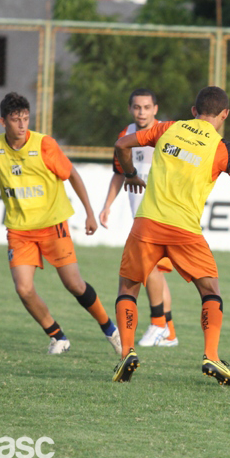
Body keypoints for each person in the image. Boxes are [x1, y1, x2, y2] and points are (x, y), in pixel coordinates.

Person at [111, 86, 230, 384]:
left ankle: (126, 354)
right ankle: (211, 355)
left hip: (147, 224)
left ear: (193, 111)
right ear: (225, 114)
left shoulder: (167, 128)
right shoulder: (222, 148)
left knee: (128, 287)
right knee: (210, 290)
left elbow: (122, 144)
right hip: (185, 230)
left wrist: (131, 173)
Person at [0, 92, 121, 356]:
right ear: (3, 122)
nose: (22, 125)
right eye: (15, 119)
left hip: (53, 226)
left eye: (25, 118)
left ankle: (110, 330)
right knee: (23, 289)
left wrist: (89, 213)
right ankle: (58, 337)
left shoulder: (44, 145)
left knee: (74, 285)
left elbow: (73, 175)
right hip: (19, 231)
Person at [99, 88, 177, 348]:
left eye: (146, 107)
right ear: (130, 108)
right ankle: (169, 333)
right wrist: (107, 205)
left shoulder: (167, 134)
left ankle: (158, 324)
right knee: (156, 272)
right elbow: (120, 173)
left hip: (161, 214)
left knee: (149, 266)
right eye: (137, 107)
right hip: (141, 215)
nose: (141, 112)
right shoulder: (126, 135)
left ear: (155, 109)